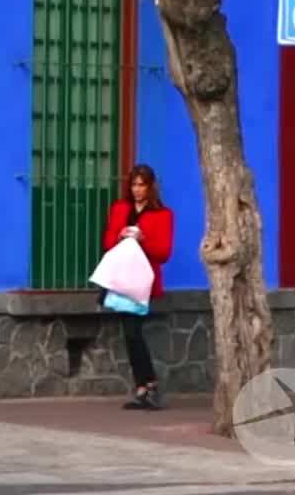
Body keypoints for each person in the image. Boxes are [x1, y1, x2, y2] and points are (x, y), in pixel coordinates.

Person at [102, 163, 174, 410]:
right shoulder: (120, 209)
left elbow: (164, 252)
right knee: (129, 334)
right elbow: (108, 242)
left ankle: (149, 384)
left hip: (143, 281)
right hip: (122, 279)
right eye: (133, 184)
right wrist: (121, 235)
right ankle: (142, 387)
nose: (137, 190)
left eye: (142, 185)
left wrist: (143, 239)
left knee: (134, 333)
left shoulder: (163, 214)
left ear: (150, 187)